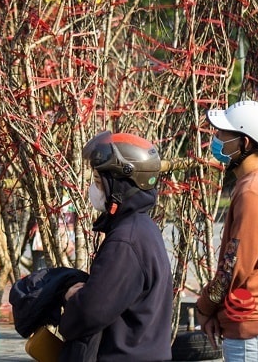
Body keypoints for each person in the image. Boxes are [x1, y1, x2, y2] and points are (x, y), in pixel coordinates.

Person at [58, 131, 173, 361]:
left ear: (119, 185)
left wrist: (70, 299)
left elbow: (90, 313)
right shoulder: (142, 227)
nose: (94, 189)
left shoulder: (126, 241)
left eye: (99, 182)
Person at [196, 100, 258, 361]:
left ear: (245, 143)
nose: (216, 139)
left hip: (253, 331)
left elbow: (232, 268)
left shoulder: (253, 192)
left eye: (223, 134)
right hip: (254, 327)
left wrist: (204, 307)